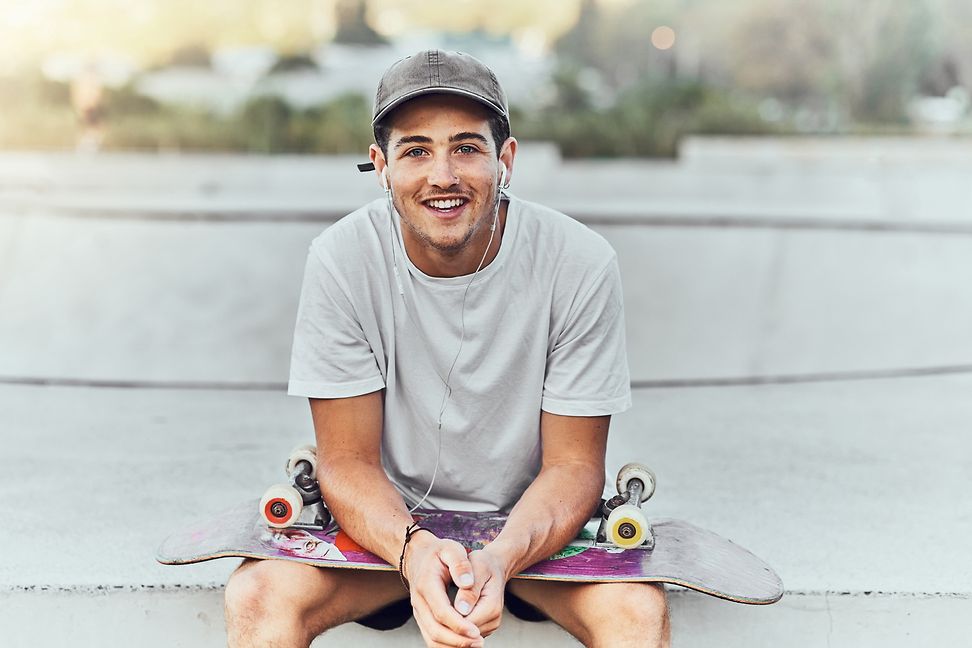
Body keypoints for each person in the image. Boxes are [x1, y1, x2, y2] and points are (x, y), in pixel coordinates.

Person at [224, 49, 670, 648]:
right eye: (416, 151)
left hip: (534, 532)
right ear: (380, 165)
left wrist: (502, 556)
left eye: (466, 147)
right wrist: (414, 553)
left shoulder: (578, 263)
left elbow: (573, 466)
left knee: (635, 613)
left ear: (504, 159)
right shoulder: (342, 260)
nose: (442, 176)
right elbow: (347, 461)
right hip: (388, 531)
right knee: (257, 598)